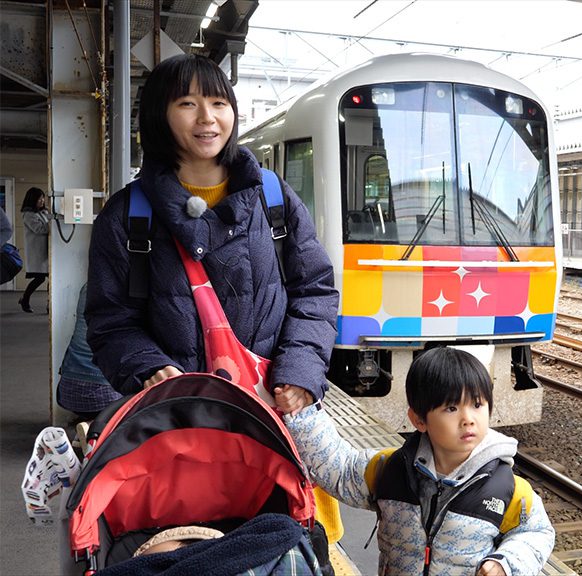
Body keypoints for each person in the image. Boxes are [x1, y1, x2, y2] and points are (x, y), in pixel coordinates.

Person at [86, 54, 338, 409]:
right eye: (188, 103)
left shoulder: (273, 197)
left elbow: (314, 291)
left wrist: (301, 369)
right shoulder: (128, 215)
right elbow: (110, 321)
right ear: (160, 113)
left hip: (273, 411)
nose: (207, 117)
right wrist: (149, 366)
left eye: (219, 102)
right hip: (177, 417)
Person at [282, 347, 556, 576]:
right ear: (419, 420)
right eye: (451, 408)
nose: (468, 418)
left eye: (477, 404)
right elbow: (338, 469)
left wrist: (506, 562)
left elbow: (537, 532)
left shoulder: (507, 489)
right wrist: (302, 412)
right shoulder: (389, 470)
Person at [57, 284, 123, 421]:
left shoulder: (88, 287)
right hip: (104, 396)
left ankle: (89, 426)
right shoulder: (128, 291)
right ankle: (97, 428)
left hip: (67, 389)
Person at [20, 187, 49, 313]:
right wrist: (53, 222)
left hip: (46, 251)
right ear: (33, 199)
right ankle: (25, 299)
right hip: (38, 252)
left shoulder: (43, 212)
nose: (42, 200)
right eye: (39, 198)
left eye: (43, 198)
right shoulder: (28, 215)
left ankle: (49, 305)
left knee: (46, 278)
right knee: (40, 278)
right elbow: (40, 229)